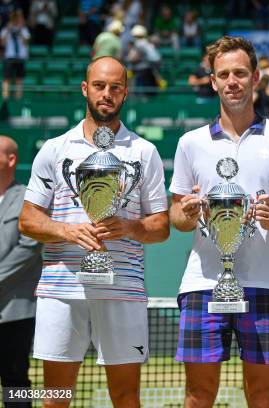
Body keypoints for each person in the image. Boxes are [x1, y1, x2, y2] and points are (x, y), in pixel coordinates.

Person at [18, 56, 170, 407]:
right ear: (86, 89)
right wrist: (69, 231)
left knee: (126, 397)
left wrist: (130, 226)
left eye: (115, 87)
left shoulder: (145, 152)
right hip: (62, 289)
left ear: (125, 93)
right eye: (100, 86)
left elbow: (161, 226)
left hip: (124, 290)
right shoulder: (55, 149)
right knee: (55, 398)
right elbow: (28, 220)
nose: (107, 94)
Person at [169, 36, 269, 408]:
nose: (232, 81)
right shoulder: (190, 143)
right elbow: (176, 218)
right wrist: (186, 213)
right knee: (198, 395)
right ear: (212, 81)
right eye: (224, 74)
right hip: (203, 284)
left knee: (262, 395)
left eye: (240, 73)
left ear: (256, 77)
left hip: (266, 283)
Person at [0, 135, 42, 408]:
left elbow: (28, 248)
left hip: (15, 311)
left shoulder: (28, 199)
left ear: (11, 159)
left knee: (16, 381)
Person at [1, 9, 30, 100]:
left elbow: (26, 42)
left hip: (20, 57)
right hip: (10, 57)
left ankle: (18, 97)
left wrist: (20, 30)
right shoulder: (6, 29)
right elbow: (2, 43)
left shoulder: (24, 29)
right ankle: (5, 97)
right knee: (6, 78)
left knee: (19, 78)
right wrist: (9, 30)